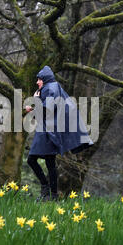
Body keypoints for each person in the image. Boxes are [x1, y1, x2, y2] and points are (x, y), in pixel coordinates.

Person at [25, 66, 93, 201]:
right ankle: (53, 195)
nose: (37, 82)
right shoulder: (53, 88)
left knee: (31, 160)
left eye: (39, 79)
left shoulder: (50, 88)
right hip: (50, 131)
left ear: (44, 79)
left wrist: (34, 102)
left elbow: (46, 111)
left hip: (48, 133)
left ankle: (46, 189)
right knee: (50, 163)